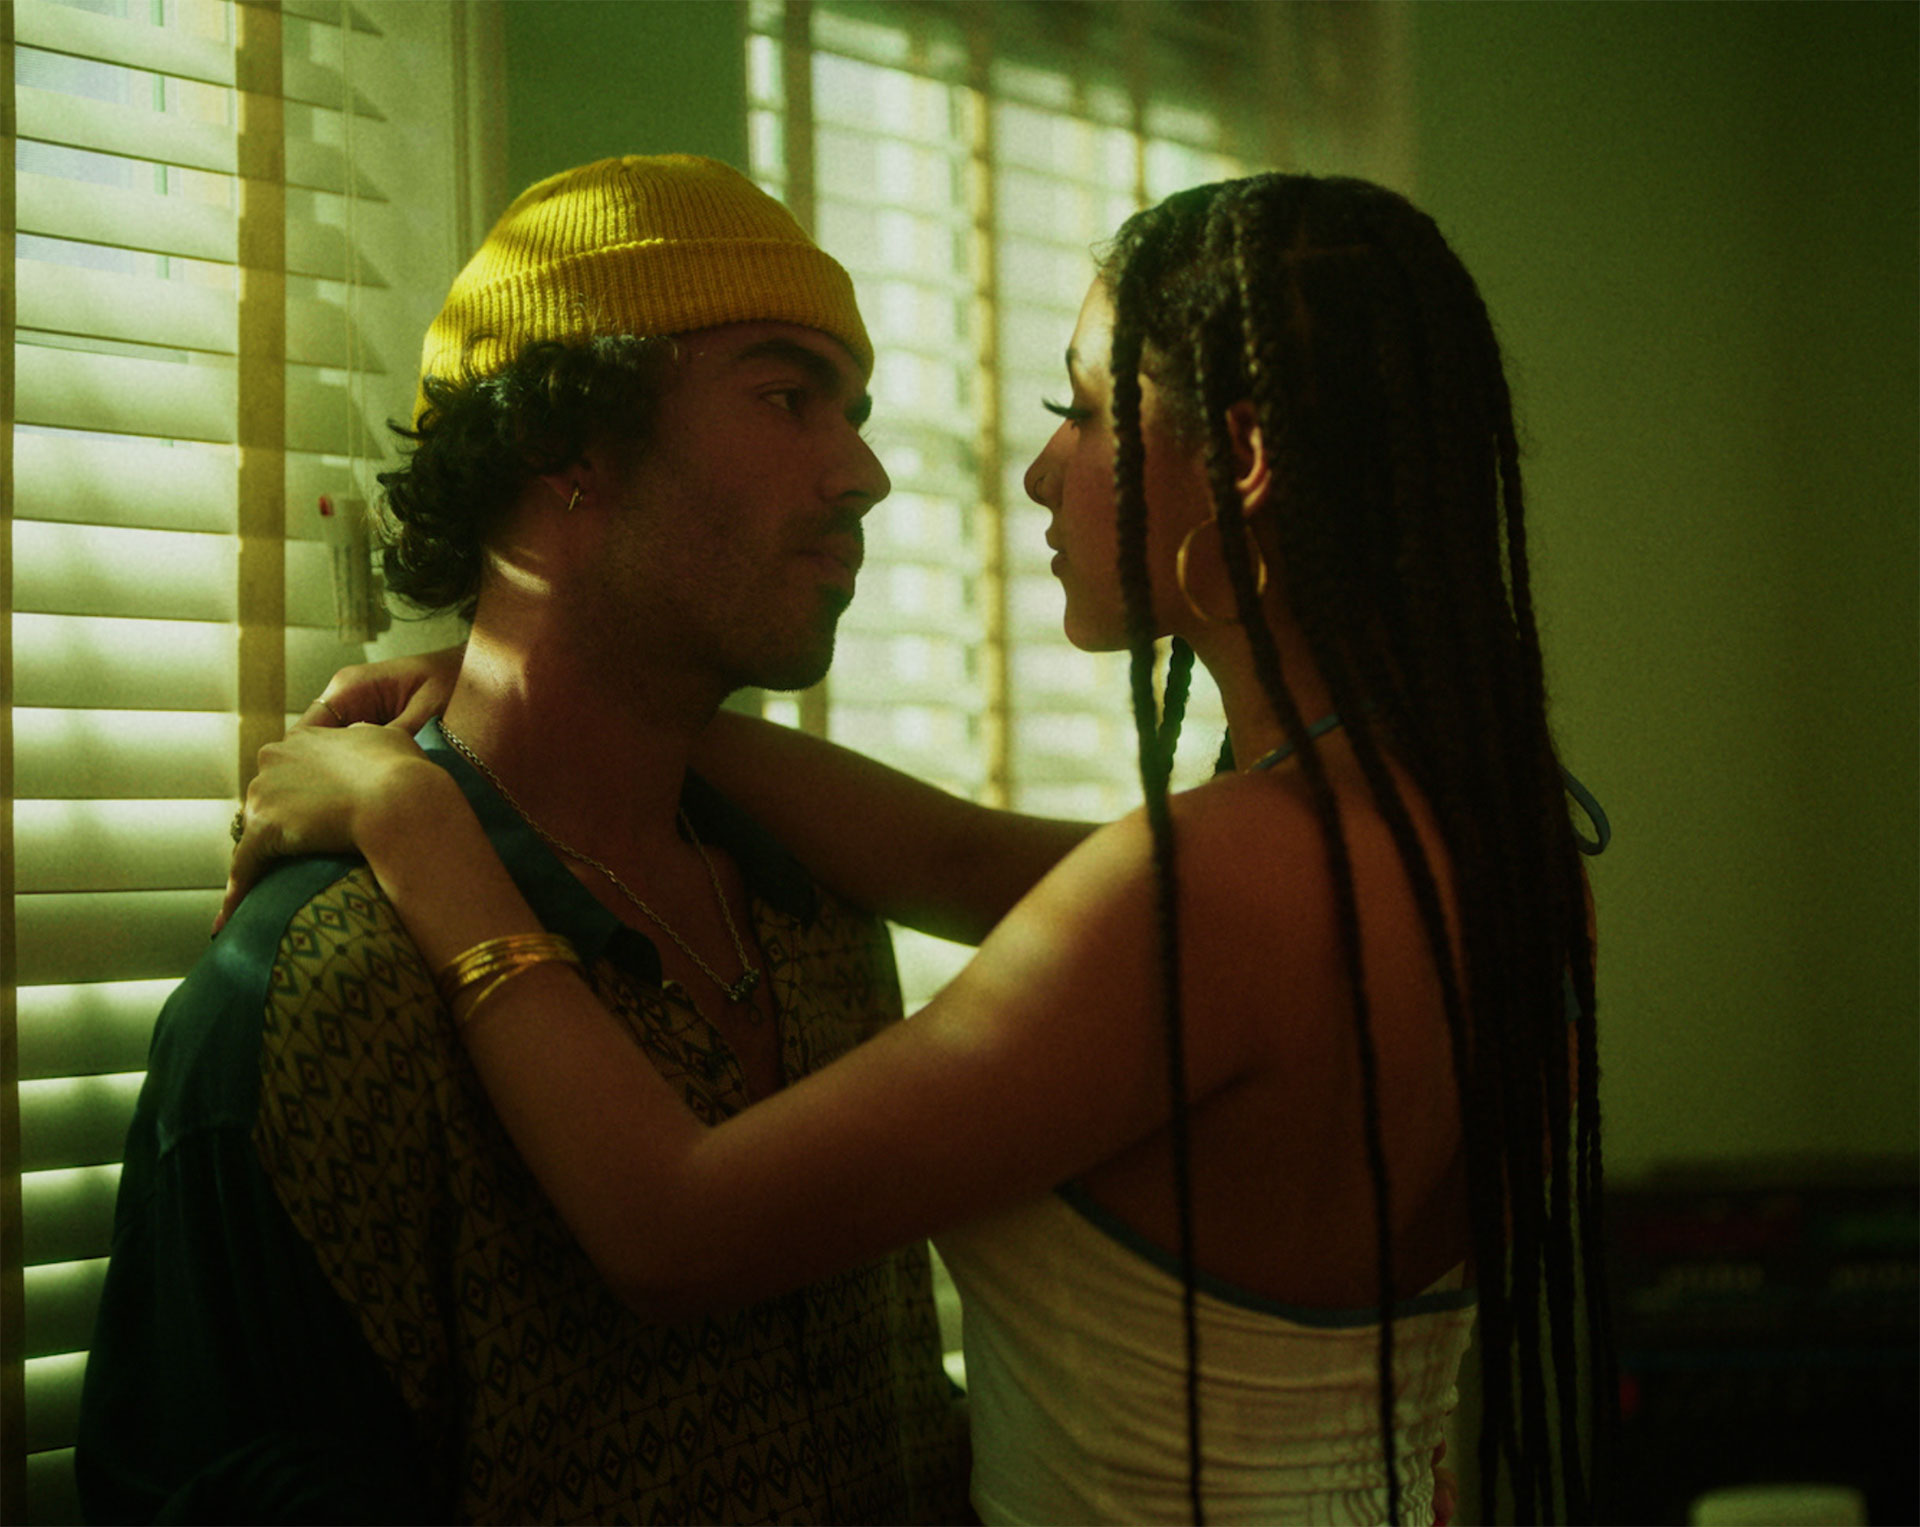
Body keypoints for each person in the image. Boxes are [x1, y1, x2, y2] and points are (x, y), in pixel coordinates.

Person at [228, 173, 1614, 1524]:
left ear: (1242, 461)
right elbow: (953, 858)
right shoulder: (1476, 852)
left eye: (1083, 414)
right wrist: (535, 690)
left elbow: (675, 1230)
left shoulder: (1217, 887)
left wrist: (419, 821)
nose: (1040, 471)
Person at [76, 155, 978, 1524]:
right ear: (570, 449)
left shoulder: (816, 906)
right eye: (787, 398)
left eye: (852, 416)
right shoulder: (326, 987)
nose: (866, 475)